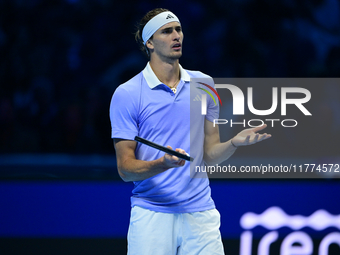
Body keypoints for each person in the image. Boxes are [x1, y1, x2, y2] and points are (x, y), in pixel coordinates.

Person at [109, 8, 271, 255]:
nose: (177, 36)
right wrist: (162, 163)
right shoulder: (127, 94)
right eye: (167, 31)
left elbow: (211, 154)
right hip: (151, 214)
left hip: (200, 213)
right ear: (149, 42)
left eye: (178, 29)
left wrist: (234, 143)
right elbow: (125, 169)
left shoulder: (204, 84)